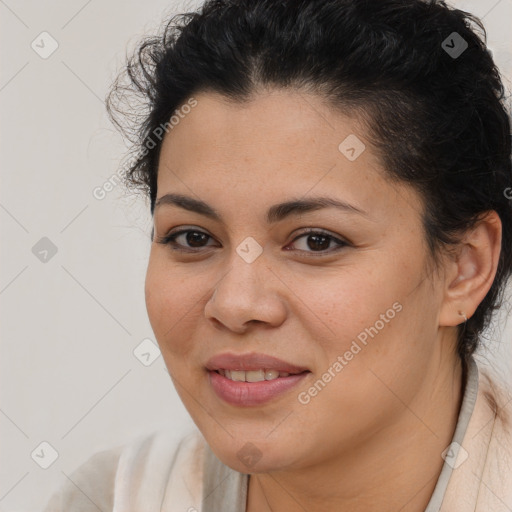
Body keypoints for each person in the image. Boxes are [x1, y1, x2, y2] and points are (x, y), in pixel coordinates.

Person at [43, 0, 512, 510]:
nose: (236, 304)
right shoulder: (112, 498)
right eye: (193, 238)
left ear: (465, 268)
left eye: (316, 241)